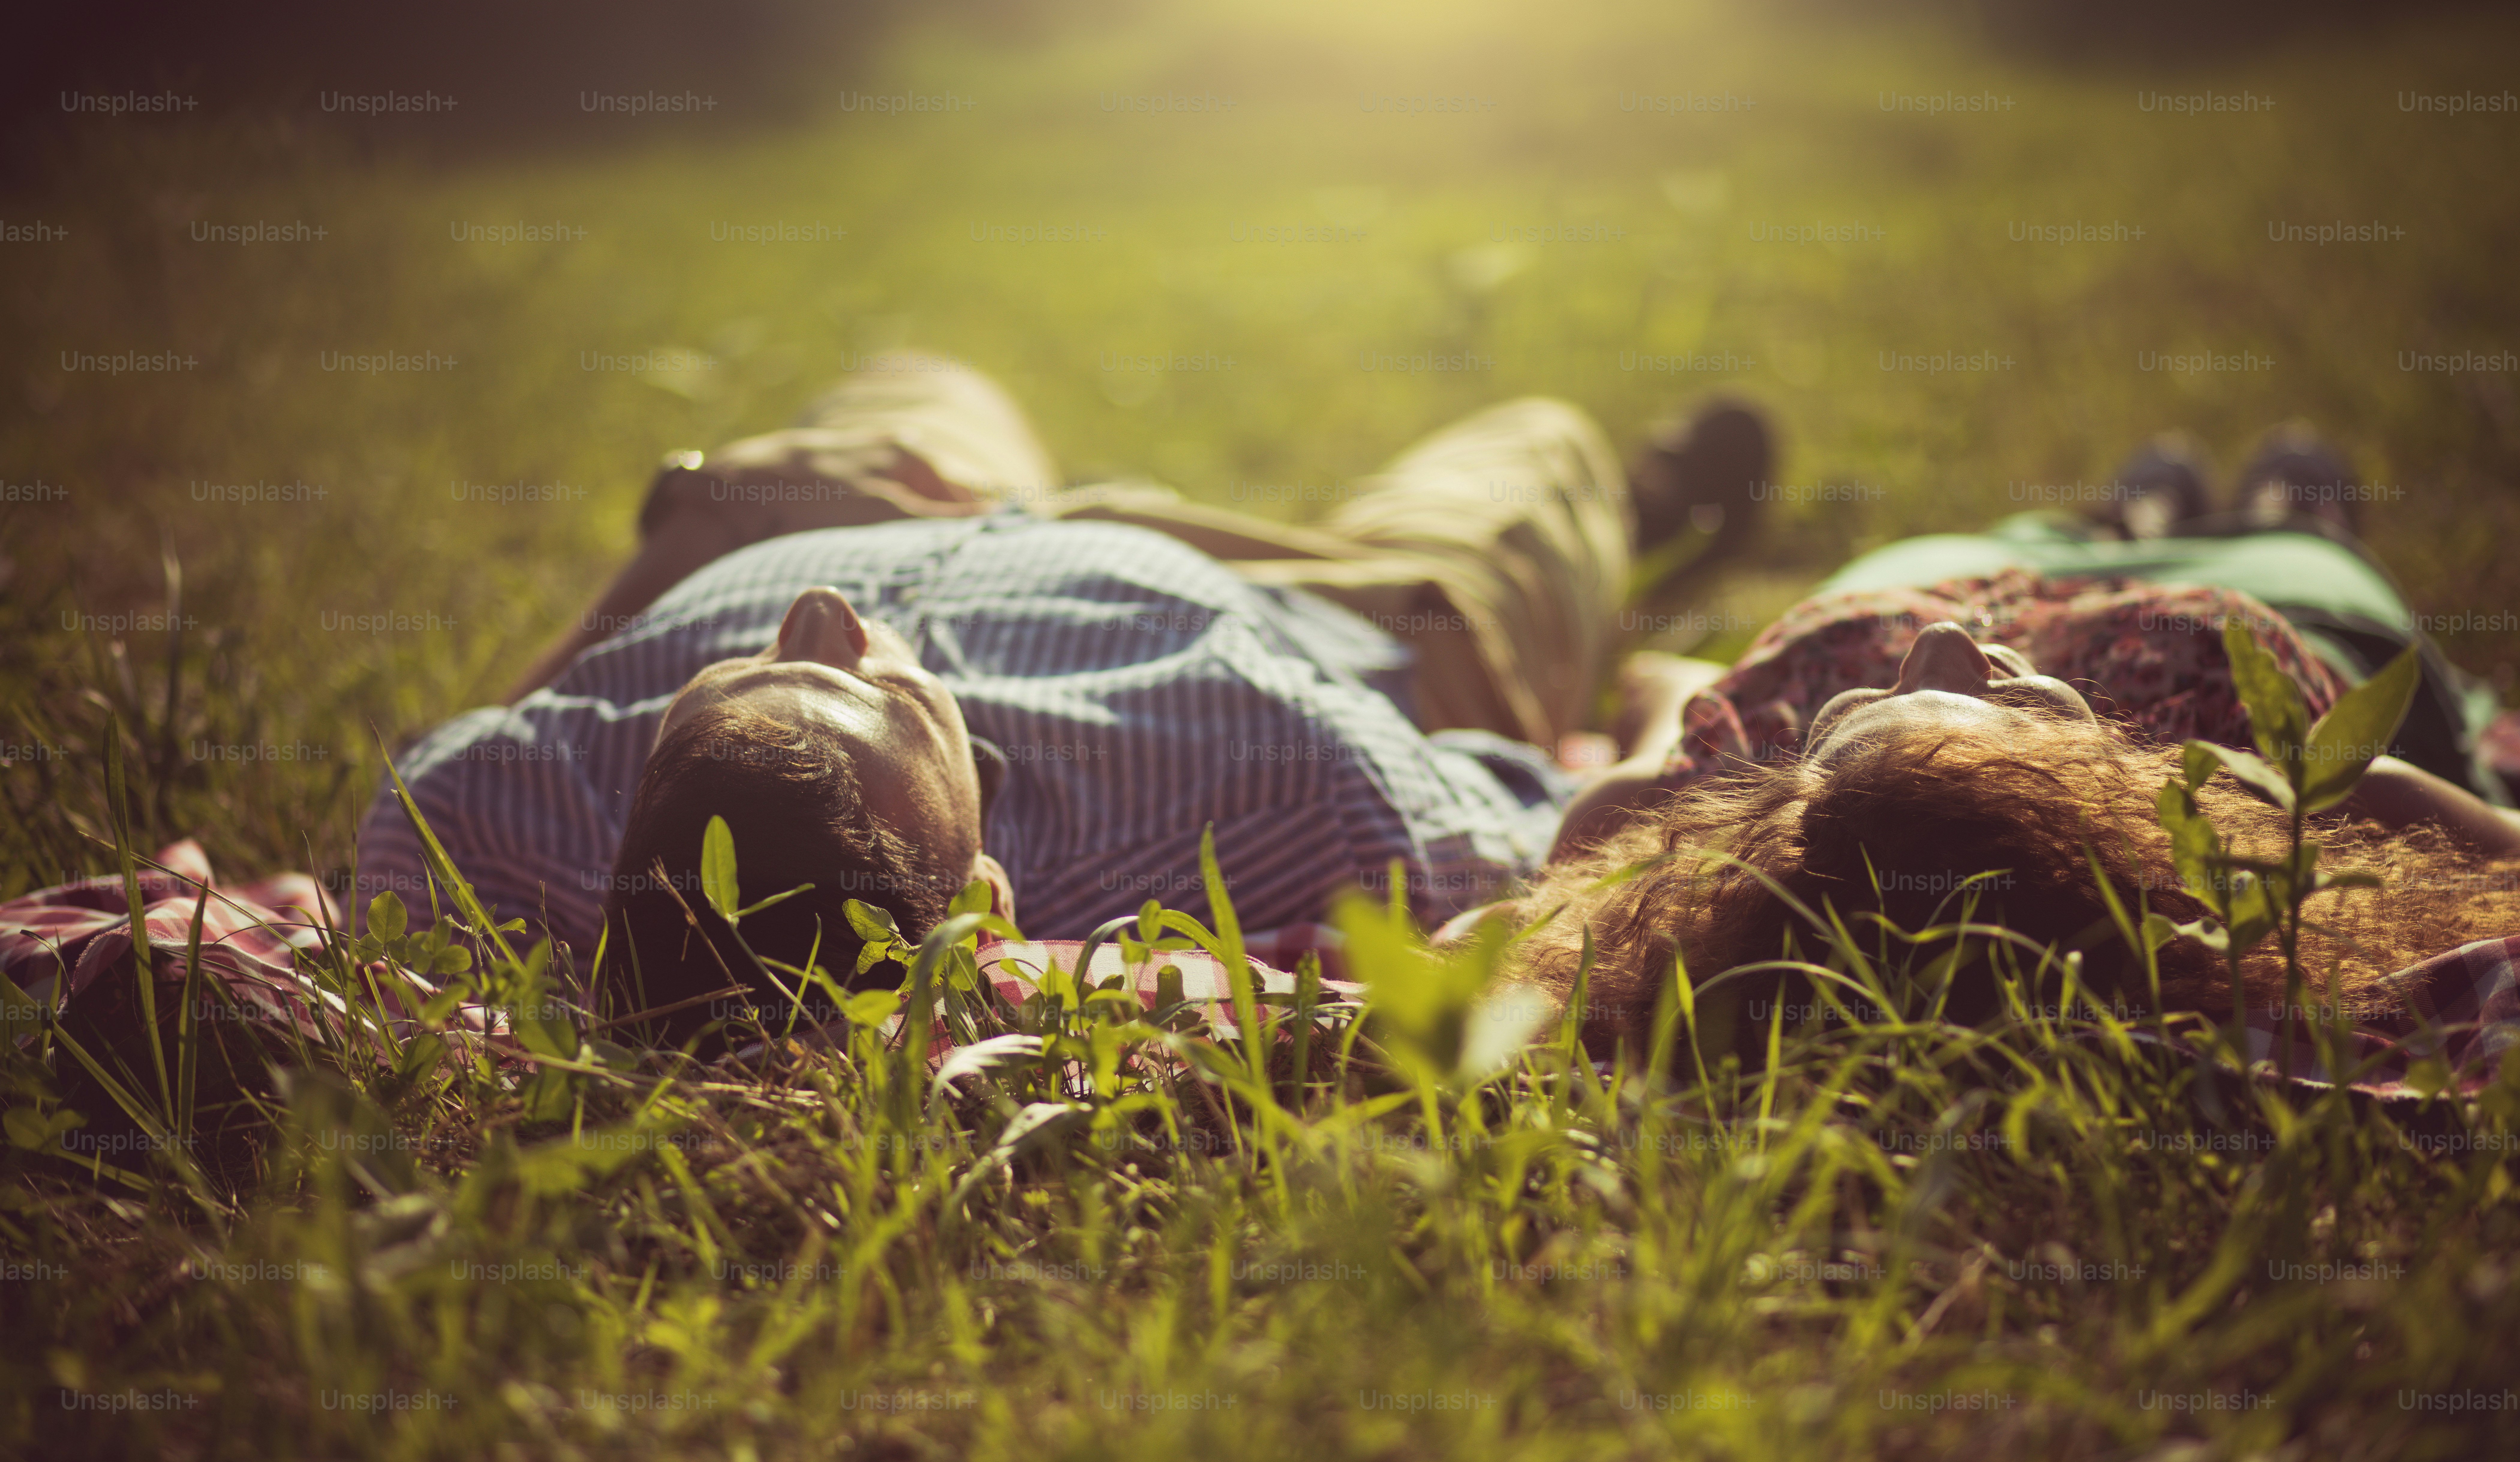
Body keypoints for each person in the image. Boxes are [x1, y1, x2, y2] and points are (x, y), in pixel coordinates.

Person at [354, 356, 1767, 1045]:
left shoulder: (490, 816)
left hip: (861, 499)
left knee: (932, 371)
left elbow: (420, 786)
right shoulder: (1296, 802)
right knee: (1531, 450)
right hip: (1306, 590)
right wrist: (1660, 708)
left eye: (750, 672)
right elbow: (1572, 832)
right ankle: (1634, 507)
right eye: (881, 699)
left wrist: (701, 547)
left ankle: (920, 446)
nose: (826, 622)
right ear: (979, 894)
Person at [1513, 429, 2520, 1067]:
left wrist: (1661, 753)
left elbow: (1662, 684)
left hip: (1952, 559)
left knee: (2082, 516)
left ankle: (2137, 509)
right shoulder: (2296, 820)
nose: (1939, 647)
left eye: (1844, 720)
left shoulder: (1714, 820)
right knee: (2299, 522)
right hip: (2278, 596)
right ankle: (2288, 507)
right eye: (1991, 701)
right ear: (2094, 807)